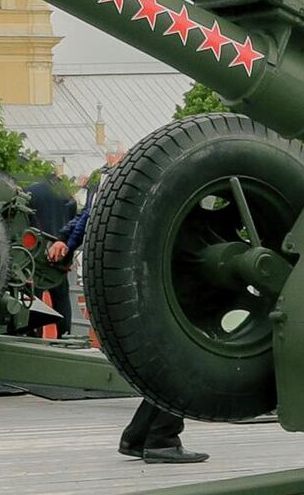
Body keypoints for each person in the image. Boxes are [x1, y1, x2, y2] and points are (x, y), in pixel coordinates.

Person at [47, 177, 206, 465]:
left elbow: (89, 216)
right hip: (164, 280)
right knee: (185, 359)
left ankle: (138, 436)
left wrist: (67, 242)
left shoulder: (113, 182)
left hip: (133, 284)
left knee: (170, 361)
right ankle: (162, 439)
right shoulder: (154, 182)